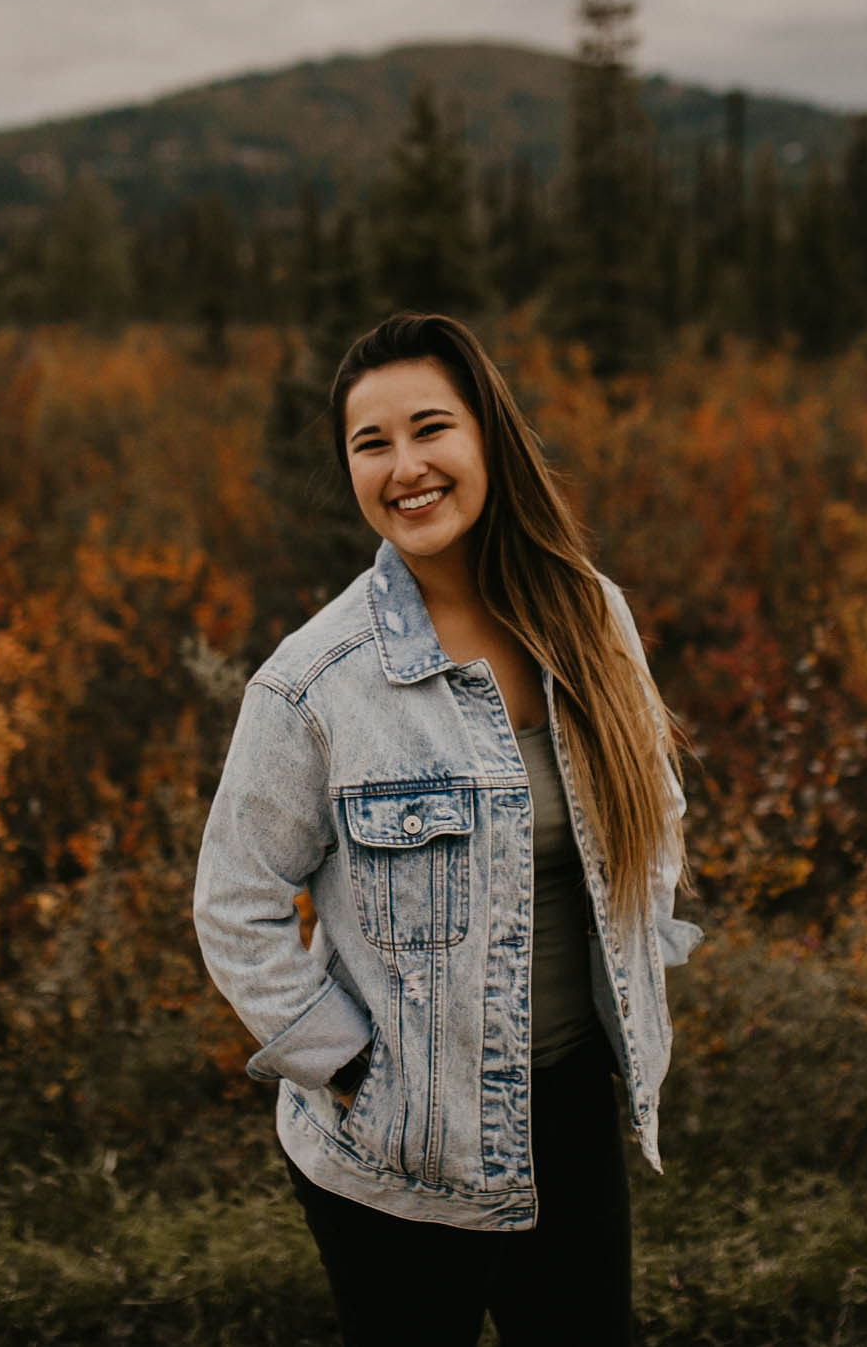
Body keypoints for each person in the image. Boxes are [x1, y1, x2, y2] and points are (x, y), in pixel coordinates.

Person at [193, 312, 701, 1347]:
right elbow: (235, 899)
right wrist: (347, 1066)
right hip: (395, 1146)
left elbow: (658, 816)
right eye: (369, 443)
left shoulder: (590, 619)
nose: (404, 466)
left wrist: (640, 982)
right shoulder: (315, 685)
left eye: (430, 429)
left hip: (570, 1114)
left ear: (487, 439)